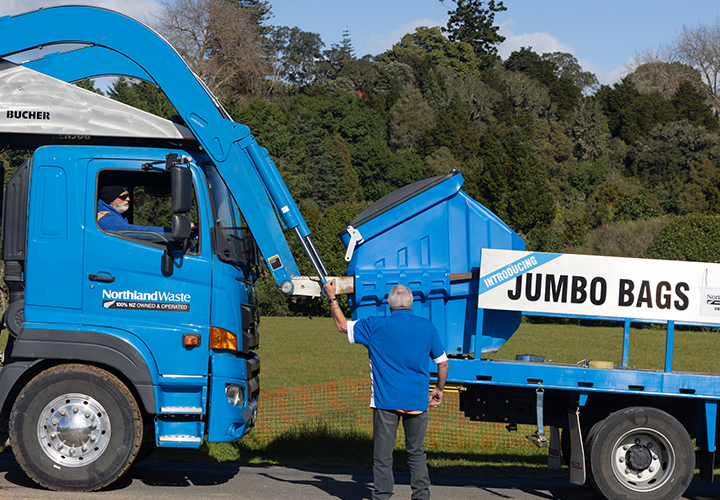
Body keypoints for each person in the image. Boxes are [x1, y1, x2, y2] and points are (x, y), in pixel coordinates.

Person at [323, 279, 449, 500]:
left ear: (389, 305)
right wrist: (438, 389)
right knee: (416, 452)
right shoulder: (427, 327)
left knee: (383, 455)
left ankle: (382, 496)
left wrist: (332, 296)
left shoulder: (375, 325)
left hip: (385, 401)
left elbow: (343, 326)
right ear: (411, 304)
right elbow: (443, 363)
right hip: (417, 401)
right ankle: (421, 496)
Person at [96, 185, 170, 235]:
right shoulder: (107, 220)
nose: (128, 199)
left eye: (128, 195)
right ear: (111, 200)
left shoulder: (117, 214)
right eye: (124, 197)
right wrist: (166, 232)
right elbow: (135, 232)